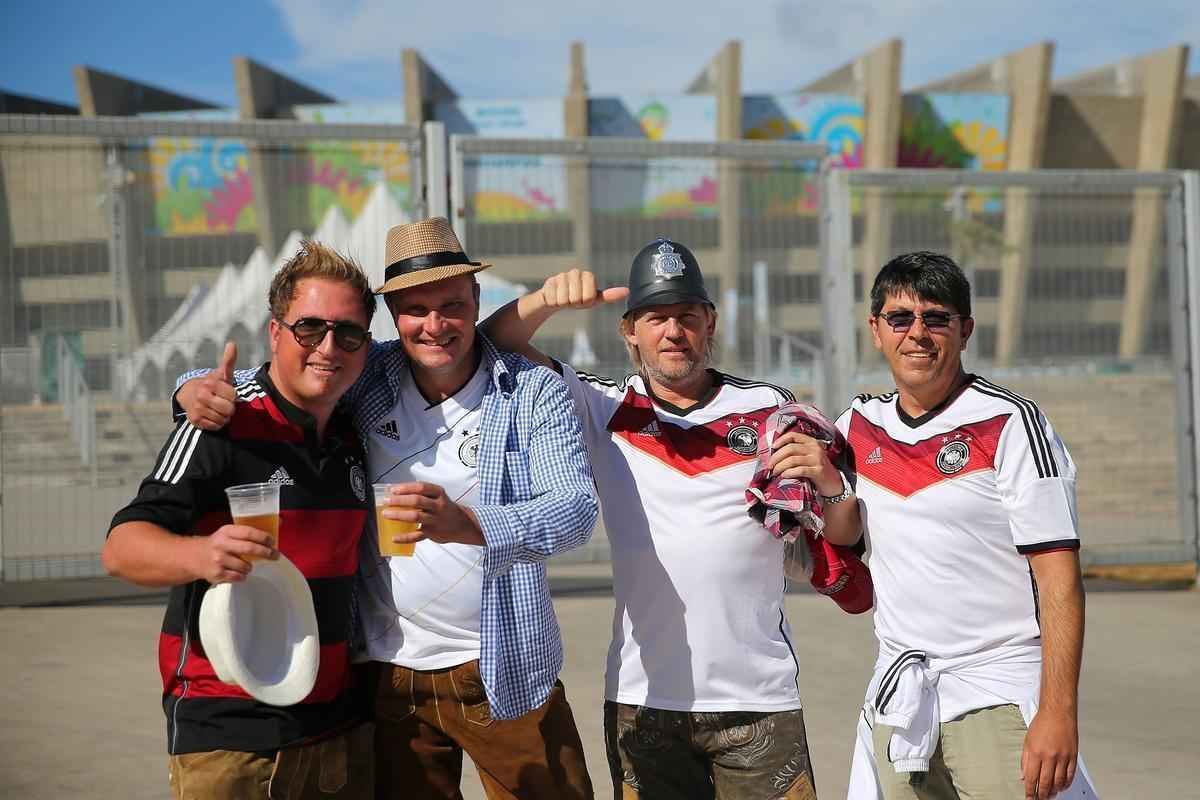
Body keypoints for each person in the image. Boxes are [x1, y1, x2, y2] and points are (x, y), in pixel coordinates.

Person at [175, 217, 599, 800]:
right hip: (387, 675)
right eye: (415, 310)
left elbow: (575, 509)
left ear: (476, 301)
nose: (435, 326)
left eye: (451, 306)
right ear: (393, 316)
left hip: (504, 665)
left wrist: (471, 524)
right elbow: (263, 381)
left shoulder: (531, 391)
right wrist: (189, 387)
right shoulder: (369, 372)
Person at [481, 238, 862, 800]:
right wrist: (546, 302)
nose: (673, 331)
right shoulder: (602, 408)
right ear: (629, 331)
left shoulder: (771, 409)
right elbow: (489, 345)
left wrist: (831, 486)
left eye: (687, 316)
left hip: (759, 700)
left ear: (711, 323)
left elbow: (843, 534)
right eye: (656, 318)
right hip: (644, 702)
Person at [103, 242, 378, 798]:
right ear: (275, 333)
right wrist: (201, 554)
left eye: (348, 334)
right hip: (230, 735)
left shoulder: (355, 430)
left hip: (337, 731)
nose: (328, 347)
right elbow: (122, 548)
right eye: (309, 329)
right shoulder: (221, 422)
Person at [826, 252, 1096, 800]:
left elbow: (1059, 579)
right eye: (899, 318)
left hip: (997, 694)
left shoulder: (1011, 423)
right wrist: (825, 481)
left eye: (936, 318)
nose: (917, 334)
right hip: (902, 704)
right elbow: (842, 535)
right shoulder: (857, 425)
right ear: (876, 330)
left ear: (965, 330)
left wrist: (1058, 712)